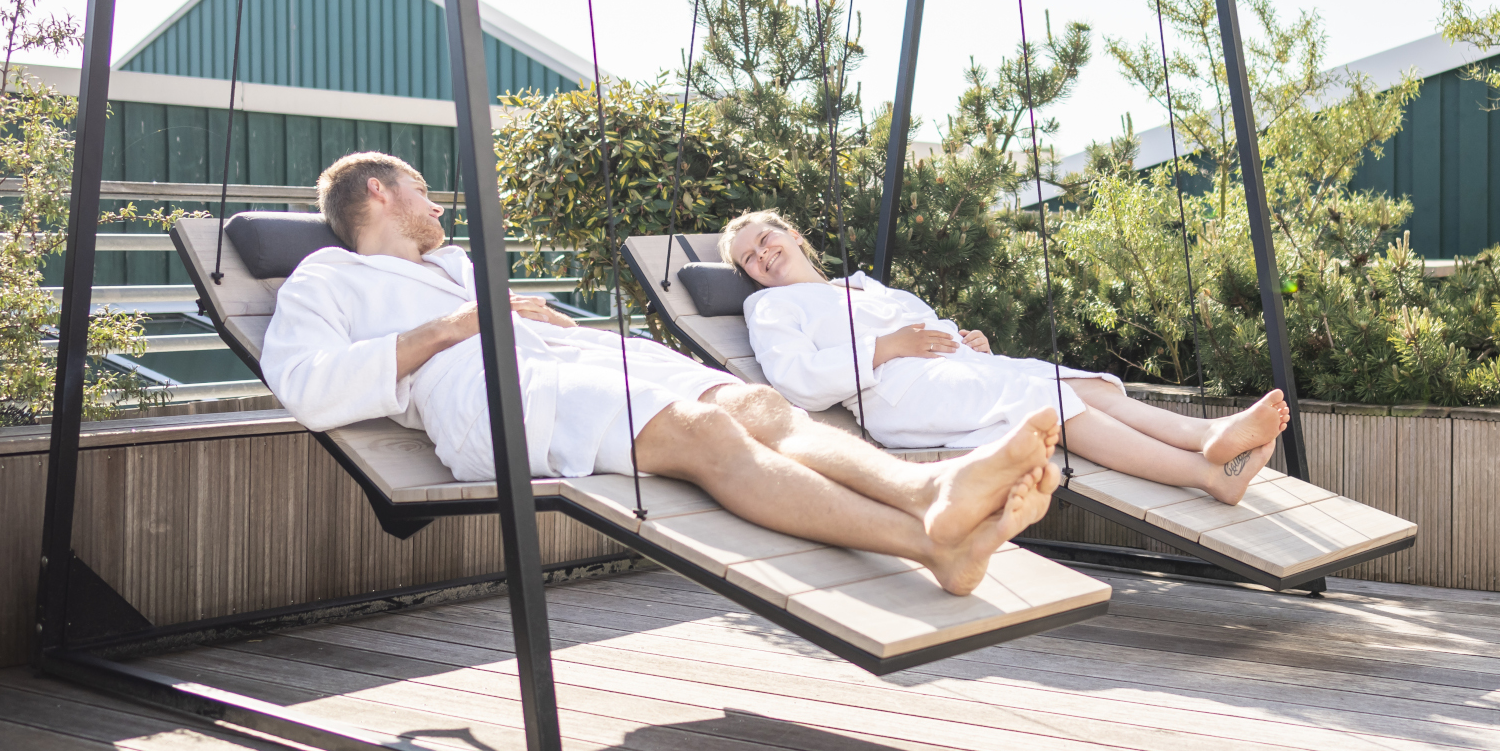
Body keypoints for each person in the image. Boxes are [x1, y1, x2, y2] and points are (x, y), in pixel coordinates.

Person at [260, 152, 1057, 595]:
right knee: (705, 430)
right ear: (379, 192)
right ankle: (928, 544)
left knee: (756, 403)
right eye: (424, 195)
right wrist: (461, 324)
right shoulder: (330, 278)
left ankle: (930, 497)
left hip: (568, 365)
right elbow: (302, 382)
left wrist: (508, 309)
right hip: (488, 400)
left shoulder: (458, 267)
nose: (439, 209)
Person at [724, 208, 1292, 506]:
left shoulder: (860, 286)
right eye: (749, 259)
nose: (762, 256)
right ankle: (1207, 476)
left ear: (793, 235)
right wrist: (887, 348)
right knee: (1039, 398)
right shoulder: (772, 310)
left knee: (1079, 382)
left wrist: (968, 340)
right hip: (896, 395)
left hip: (952, 371)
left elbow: (929, 324)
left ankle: (1207, 435)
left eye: (765, 240)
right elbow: (795, 380)